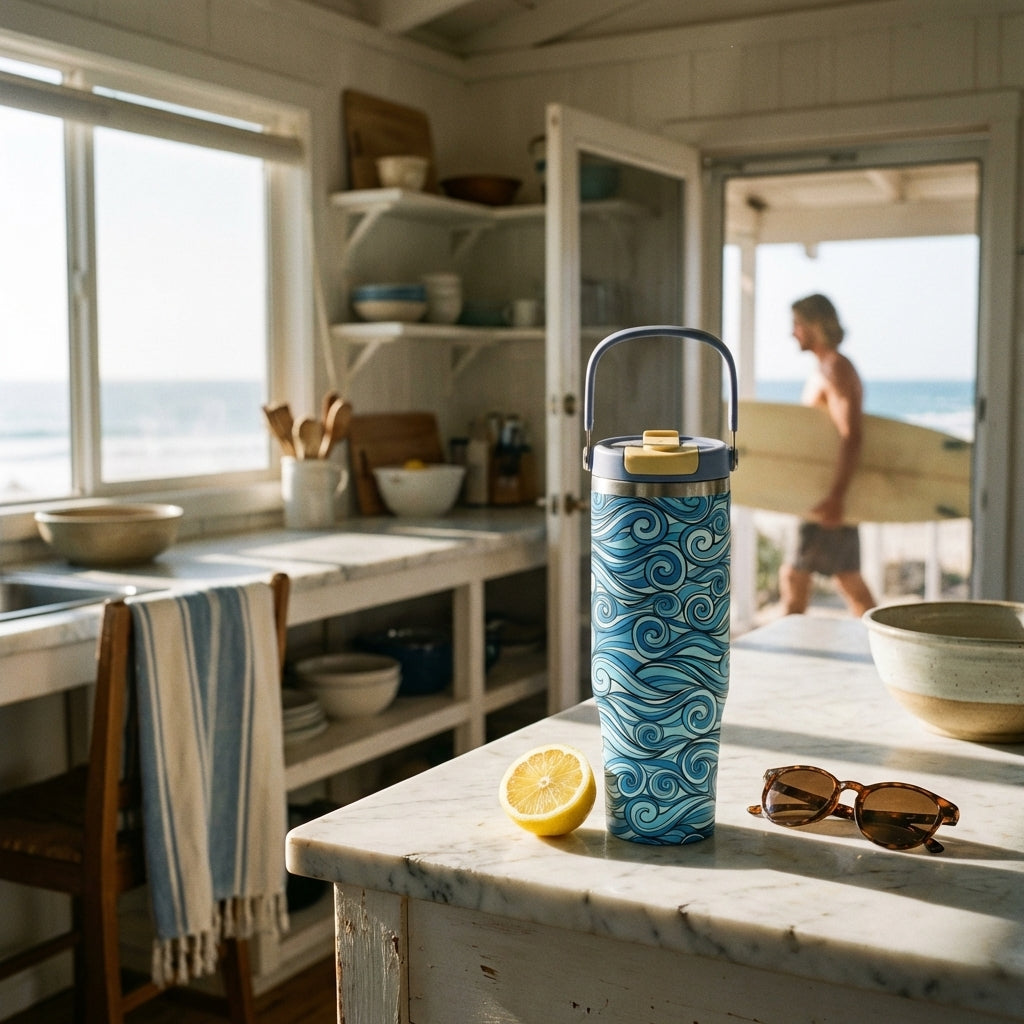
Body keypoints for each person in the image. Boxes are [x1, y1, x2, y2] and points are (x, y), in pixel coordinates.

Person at [778, 294, 876, 618]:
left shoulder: (836, 367)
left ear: (814, 325)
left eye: (797, 324)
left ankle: (789, 646)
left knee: (797, 579)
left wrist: (837, 496)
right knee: (845, 580)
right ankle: (882, 640)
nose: (792, 332)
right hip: (822, 493)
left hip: (828, 496)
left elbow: (851, 434)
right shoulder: (825, 368)